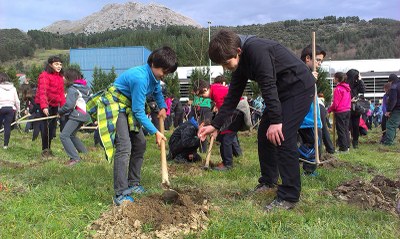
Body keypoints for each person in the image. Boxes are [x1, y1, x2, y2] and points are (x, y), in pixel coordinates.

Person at [198, 29, 315, 211]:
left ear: (238, 51)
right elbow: (233, 96)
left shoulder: (256, 51)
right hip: (281, 92)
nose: (225, 68)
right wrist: (215, 125)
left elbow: (268, 85)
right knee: (264, 135)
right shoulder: (241, 61)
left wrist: (276, 121)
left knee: (283, 136)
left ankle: (289, 196)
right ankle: (268, 182)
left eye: (226, 63)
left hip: (299, 88)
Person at [86, 46, 178, 206]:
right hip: (116, 104)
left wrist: (162, 106)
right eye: (164, 71)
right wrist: (155, 131)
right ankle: (121, 193)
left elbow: (156, 91)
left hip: (128, 106)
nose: (165, 75)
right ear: (154, 64)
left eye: (168, 72)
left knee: (140, 143)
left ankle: (133, 183)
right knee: (124, 146)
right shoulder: (140, 78)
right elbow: (138, 111)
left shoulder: (154, 77)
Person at [194, 76, 251, 171]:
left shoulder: (216, 92)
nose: (201, 98)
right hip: (232, 111)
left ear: (204, 89)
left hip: (237, 110)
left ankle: (228, 165)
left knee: (226, 137)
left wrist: (216, 128)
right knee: (223, 137)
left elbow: (223, 112)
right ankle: (226, 161)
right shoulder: (214, 89)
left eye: (201, 95)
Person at [58, 69, 91, 166]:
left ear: (69, 78)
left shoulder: (72, 89)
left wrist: (60, 111)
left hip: (77, 115)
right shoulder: (85, 88)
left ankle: (74, 158)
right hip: (85, 115)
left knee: (64, 135)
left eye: (64, 76)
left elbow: (69, 105)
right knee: (72, 135)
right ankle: (85, 153)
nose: (62, 78)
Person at [34, 56, 66, 157]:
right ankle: (45, 150)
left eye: (60, 64)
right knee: (45, 128)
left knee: (52, 129)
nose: (59, 66)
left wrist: (63, 108)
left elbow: (61, 94)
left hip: (54, 104)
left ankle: (49, 148)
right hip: (43, 104)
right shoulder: (44, 76)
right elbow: (43, 92)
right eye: (56, 64)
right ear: (50, 65)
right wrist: (44, 107)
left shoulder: (60, 77)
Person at [328, 72, 351, 152]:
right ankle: (347, 146)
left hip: (340, 112)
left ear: (337, 79)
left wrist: (329, 109)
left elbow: (336, 103)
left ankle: (343, 148)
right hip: (347, 110)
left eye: (334, 78)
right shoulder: (347, 88)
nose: (333, 79)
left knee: (340, 130)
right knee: (345, 129)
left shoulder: (338, 89)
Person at [0, 72, 20, 149]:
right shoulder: (13, 88)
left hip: (1, 107)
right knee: (7, 126)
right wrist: (18, 111)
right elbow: (17, 101)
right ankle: (5, 145)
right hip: (10, 109)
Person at [347, 69, 366, 149]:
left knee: (355, 126)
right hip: (348, 107)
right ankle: (346, 143)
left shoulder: (357, 84)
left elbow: (363, 90)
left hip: (356, 109)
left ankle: (355, 143)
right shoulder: (346, 85)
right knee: (348, 126)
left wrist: (360, 80)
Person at [382, 74, 400, 145]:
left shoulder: (394, 87)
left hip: (397, 108)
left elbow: (393, 100)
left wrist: (389, 110)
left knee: (390, 125)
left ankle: (389, 142)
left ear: (391, 81)